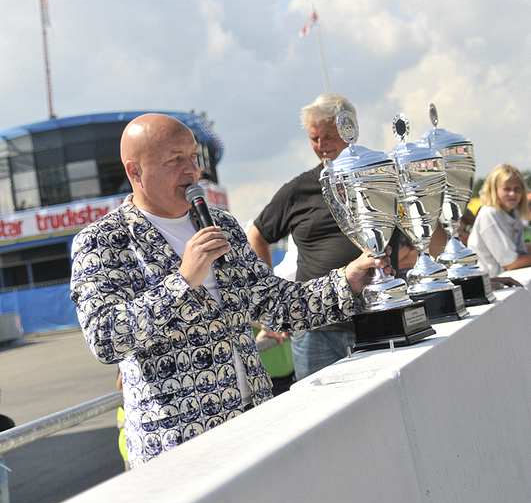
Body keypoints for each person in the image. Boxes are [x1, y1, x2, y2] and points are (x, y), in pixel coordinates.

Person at [70, 113, 393, 468]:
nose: (192, 170)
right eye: (175, 160)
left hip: (255, 428)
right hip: (180, 447)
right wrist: (183, 279)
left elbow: (274, 304)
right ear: (135, 171)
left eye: (193, 158)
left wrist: (348, 280)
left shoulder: (220, 223)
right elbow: (105, 339)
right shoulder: (103, 242)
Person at [248, 92, 400, 381]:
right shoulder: (299, 189)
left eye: (329, 136)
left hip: (377, 318)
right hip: (315, 330)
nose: (321, 146)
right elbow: (257, 237)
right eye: (314, 139)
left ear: (349, 129)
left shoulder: (378, 177)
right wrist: (270, 302)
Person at [468, 163, 531, 279]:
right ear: (494, 190)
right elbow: (511, 263)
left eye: (517, 188)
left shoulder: (513, 213)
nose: (512, 193)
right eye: (507, 189)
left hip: (505, 280)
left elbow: (521, 250)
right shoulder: (489, 214)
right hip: (491, 284)